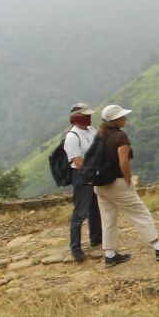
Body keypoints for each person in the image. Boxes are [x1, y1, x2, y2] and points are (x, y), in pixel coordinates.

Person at [93, 105, 159, 267]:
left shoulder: (99, 136)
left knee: (108, 220)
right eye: (123, 116)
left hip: (99, 185)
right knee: (140, 214)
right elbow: (123, 162)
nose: (125, 118)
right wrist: (129, 181)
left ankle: (110, 255)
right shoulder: (120, 136)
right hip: (117, 182)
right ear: (116, 120)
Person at [63, 103, 102, 262]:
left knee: (95, 209)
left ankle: (96, 238)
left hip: (94, 174)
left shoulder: (92, 130)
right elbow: (78, 162)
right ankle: (75, 247)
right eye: (86, 115)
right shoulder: (73, 136)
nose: (89, 117)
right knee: (80, 213)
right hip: (82, 176)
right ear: (77, 117)